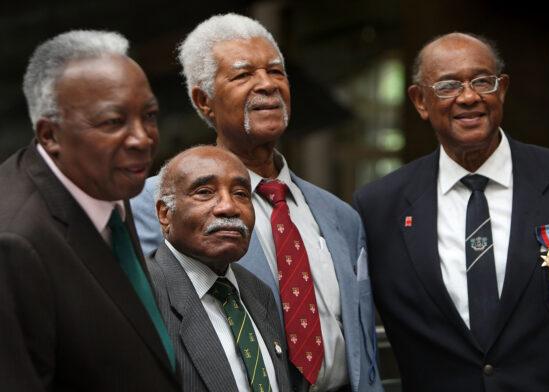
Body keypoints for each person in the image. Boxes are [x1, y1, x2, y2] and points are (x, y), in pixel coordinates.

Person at [131, 13, 382, 392]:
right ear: (204, 100)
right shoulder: (156, 204)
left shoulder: (340, 216)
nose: (267, 85)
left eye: (277, 72)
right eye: (243, 74)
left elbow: (363, 348)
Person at [354, 32, 549, 391]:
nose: (468, 97)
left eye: (482, 81)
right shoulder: (379, 208)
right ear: (420, 101)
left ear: (502, 90)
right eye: (448, 86)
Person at [0, 31, 179, 391]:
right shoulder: (15, 243)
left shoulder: (105, 175)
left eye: (149, 115)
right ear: (50, 135)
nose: (142, 138)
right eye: (113, 122)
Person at [148, 145, 292, 392]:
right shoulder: (140, 293)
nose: (229, 207)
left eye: (240, 194)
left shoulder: (259, 293)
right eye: (204, 192)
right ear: (165, 213)